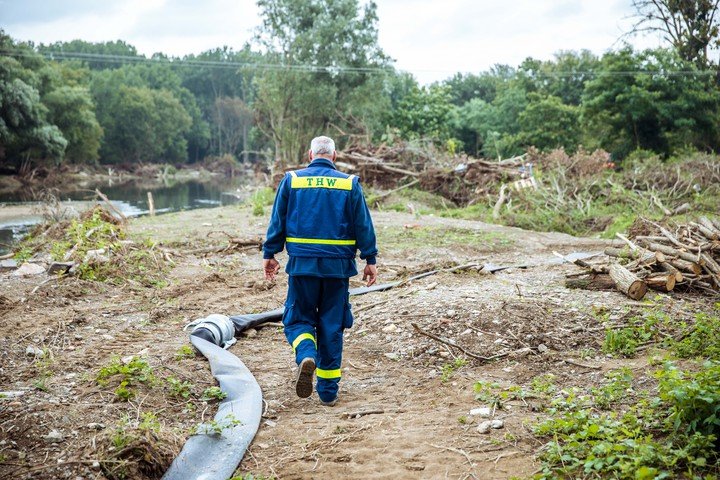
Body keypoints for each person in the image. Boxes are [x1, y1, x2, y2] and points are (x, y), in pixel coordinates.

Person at [262, 136, 378, 406]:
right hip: (338, 270)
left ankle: (305, 353)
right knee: (331, 326)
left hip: (302, 267)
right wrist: (370, 258)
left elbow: (277, 220)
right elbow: (363, 224)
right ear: (334, 156)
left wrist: (270, 253)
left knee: (297, 319)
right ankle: (327, 392)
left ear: (309, 154)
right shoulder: (349, 184)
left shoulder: (292, 180)